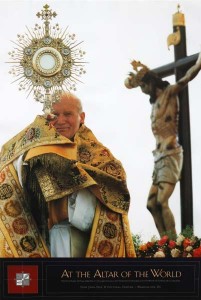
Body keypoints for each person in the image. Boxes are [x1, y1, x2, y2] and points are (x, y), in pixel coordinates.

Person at [0, 92, 136, 258]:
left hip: (82, 243)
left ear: (82, 117)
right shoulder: (32, 152)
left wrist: (66, 200)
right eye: (54, 115)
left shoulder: (100, 158)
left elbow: (114, 197)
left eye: (68, 114)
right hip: (40, 242)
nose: (61, 120)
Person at [125, 52, 201, 238]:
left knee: (162, 201)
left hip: (171, 153)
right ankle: (165, 242)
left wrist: (199, 62)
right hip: (158, 157)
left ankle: (175, 244)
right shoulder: (155, 104)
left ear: (151, 83)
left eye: (143, 85)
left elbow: (187, 76)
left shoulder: (169, 93)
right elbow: (128, 84)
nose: (142, 90)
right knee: (151, 204)